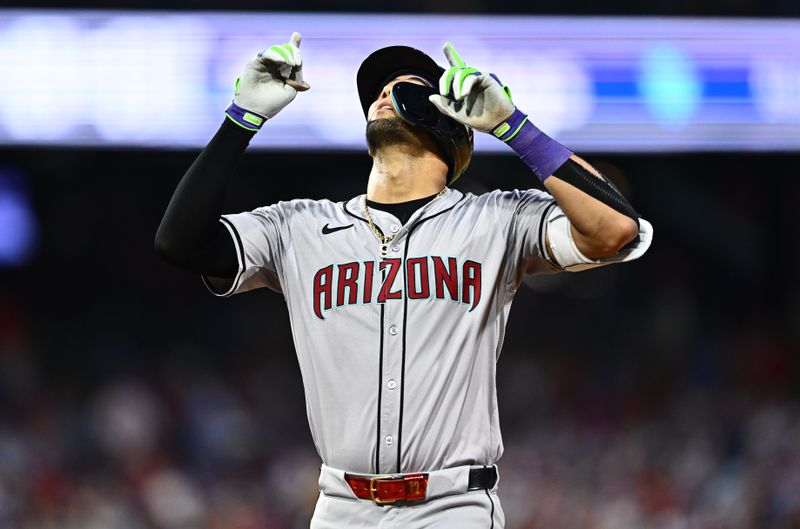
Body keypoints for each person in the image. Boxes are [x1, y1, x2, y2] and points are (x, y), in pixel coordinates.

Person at [155, 32, 653, 529]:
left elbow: (616, 229)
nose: (383, 95)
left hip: (453, 507)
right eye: (377, 92)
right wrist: (241, 119)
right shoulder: (301, 227)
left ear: (448, 122)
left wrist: (512, 125)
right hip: (340, 508)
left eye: (407, 89)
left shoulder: (495, 220)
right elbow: (180, 242)